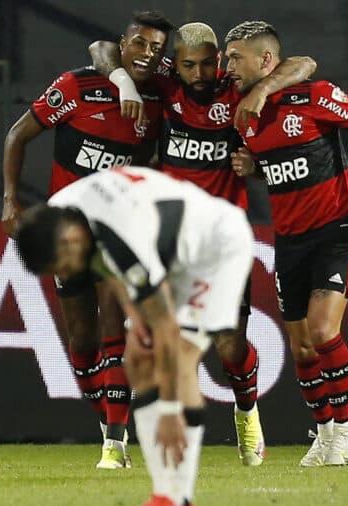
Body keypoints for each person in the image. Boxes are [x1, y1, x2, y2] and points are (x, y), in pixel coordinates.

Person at [89, 22, 316, 466]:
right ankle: (134, 440)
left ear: (219, 60)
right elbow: (101, 48)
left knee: (230, 346)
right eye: (188, 64)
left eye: (208, 63)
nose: (198, 73)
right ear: (178, 62)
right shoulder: (165, 82)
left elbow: (305, 64)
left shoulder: (235, 90)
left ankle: (247, 410)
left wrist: (262, 92)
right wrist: (124, 86)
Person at [15, 165, 254, 506]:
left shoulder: (119, 235)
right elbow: (113, 271)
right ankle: (162, 497)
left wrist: (170, 409)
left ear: (68, 241)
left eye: (60, 266)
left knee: (179, 358)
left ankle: (178, 501)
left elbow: (165, 325)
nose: (64, 275)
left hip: (215, 249)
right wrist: (134, 314)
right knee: (137, 358)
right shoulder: (64, 211)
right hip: (169, 251)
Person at [1, 10, 174, 469]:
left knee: (113, 327)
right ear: (125, 42)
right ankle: (106, 423)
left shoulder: (163, 93)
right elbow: (18, 134)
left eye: (158, 49)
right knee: (81, 339)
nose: (148, 54)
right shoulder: (77, 87)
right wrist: (10, 200)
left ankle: (114, 445)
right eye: (140, 43)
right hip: (67, 234)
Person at [226, 21, 348, 466]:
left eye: (235, 57)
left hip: (336, 229)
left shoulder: (314, 96)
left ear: (264, 60)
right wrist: (253, 168)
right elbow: (286, 166)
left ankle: (347, 430)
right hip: (289, 239)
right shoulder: (244, 111)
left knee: (322, 331)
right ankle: (323, 432)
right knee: (300, 346)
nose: (228, 67)